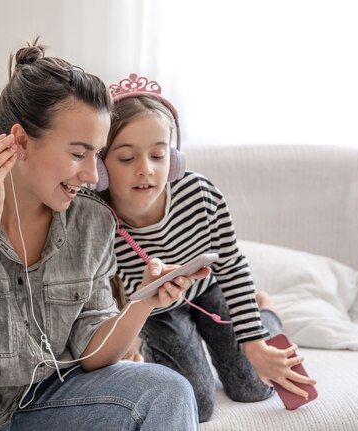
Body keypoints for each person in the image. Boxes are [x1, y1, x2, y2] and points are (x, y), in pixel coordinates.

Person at [0, 42, 208, 430]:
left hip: (52, 399)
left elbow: (91, 352)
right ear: (21, 141)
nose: (93, 176)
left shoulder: (92, 221)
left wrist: (143, 303)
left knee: (169, 390)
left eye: (96, 156)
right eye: (79, 154)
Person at [96, 73, 317, 421]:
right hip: (155, 311)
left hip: (208, 288)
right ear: (101, 167)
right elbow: (106, 293)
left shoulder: (200, 194)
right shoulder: (94, 218)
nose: (146, 170)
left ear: (175, 158)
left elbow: (231, 266)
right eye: (126, 159)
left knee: (253, 387)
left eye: (158, 155)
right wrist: (130, 342)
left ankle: (265, 308)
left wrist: (255, 342)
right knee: (196, 405)